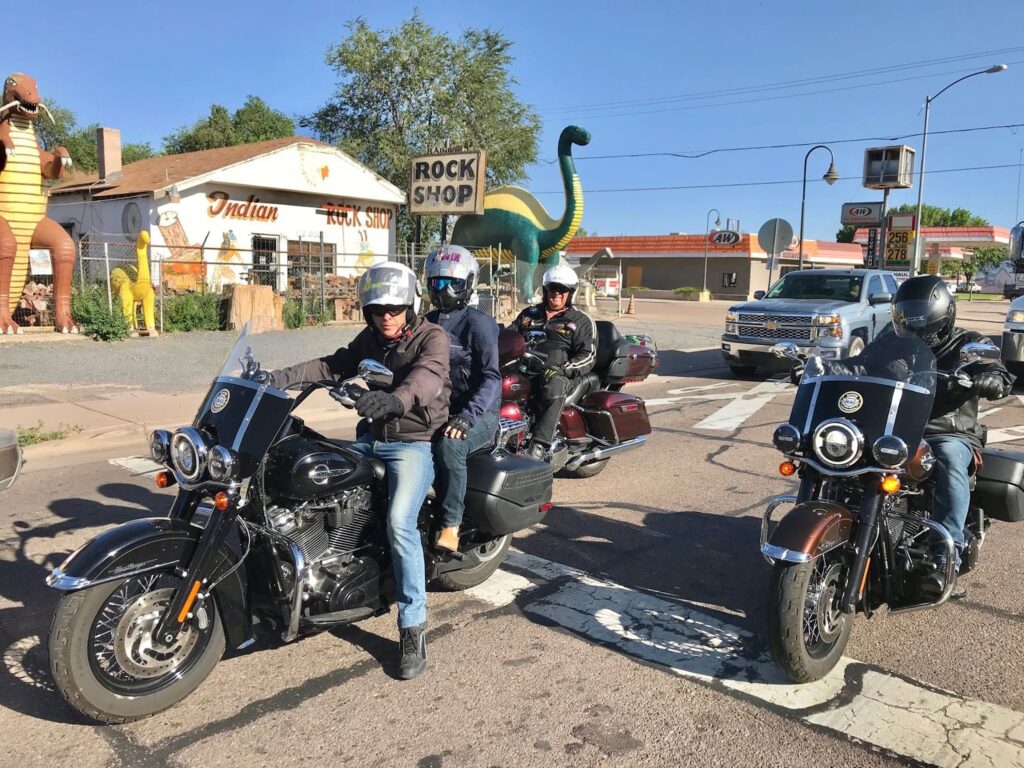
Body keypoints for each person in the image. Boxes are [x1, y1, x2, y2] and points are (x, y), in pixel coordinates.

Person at [269, 261, 450, 680]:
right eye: (377, 309)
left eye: (394, 308)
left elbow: (428, 379)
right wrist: (275, 378)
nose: (386, 315)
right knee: (314, 482)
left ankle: (412, 626)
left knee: (400, 523)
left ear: (410, 306)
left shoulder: (432, 336)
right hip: (372, 438)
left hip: (413, 443)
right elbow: (332, 365)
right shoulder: (370, 338)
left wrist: (395, 401)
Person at [808, 276, 1012, 599]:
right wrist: (826, 371)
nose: (914, 330)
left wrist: (991, 378)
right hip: (894, 425)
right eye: (907, 319)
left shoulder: (966, 343)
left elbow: (994, 366)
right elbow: (862, 365)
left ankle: (946, 554)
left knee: (947, 460)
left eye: (922, 321)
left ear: (944, 317)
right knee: (839, 450)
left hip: (946, 431)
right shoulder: (891, 340)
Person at [423, 245, 501, 552]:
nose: (443, 290)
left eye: (452, 283)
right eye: (437, 282)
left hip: (478, 412)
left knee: (450, 444)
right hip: (439, 408)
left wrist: (468, 417)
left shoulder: (478, 324)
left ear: (467, 284)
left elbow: (492, 378)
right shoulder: (426, 321)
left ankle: (450, 524)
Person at [512, 263, 596, 459]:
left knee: (553, 387)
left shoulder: (581, 320)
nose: (556, 293)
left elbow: (588, 356)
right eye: (552, 289)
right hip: (525, 368)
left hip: (558, 373)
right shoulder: (529, 314)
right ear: (545, 290)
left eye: (562, 290)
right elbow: (510, 336)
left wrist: (562, 370)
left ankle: (540, 445)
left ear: (570, 293)